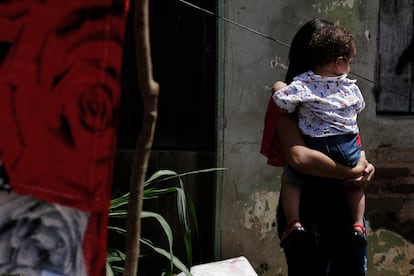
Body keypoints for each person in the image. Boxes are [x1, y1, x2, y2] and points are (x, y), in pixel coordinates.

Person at [260, 18, 375, 276]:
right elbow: (299, 158)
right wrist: (350, 172)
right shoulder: (292, 99)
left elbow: (354, 144)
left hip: (343, 211)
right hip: (309, 213)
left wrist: (366, 168)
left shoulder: (339, 96)